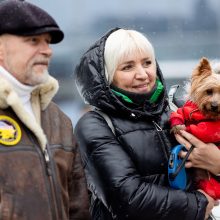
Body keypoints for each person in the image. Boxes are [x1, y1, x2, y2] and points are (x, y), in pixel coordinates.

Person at [74, 27, 218, 220]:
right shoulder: (95, 125)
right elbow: (127, 199)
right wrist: (197, 204)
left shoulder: (177, 111)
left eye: (147, 63)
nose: (142, 74)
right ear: (107, 75)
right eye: (127, 67)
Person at [0, 0, 90, 219]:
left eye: (48, 42)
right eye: (33, 40)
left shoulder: (59, 120)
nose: (47, 51)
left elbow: (78, 207)